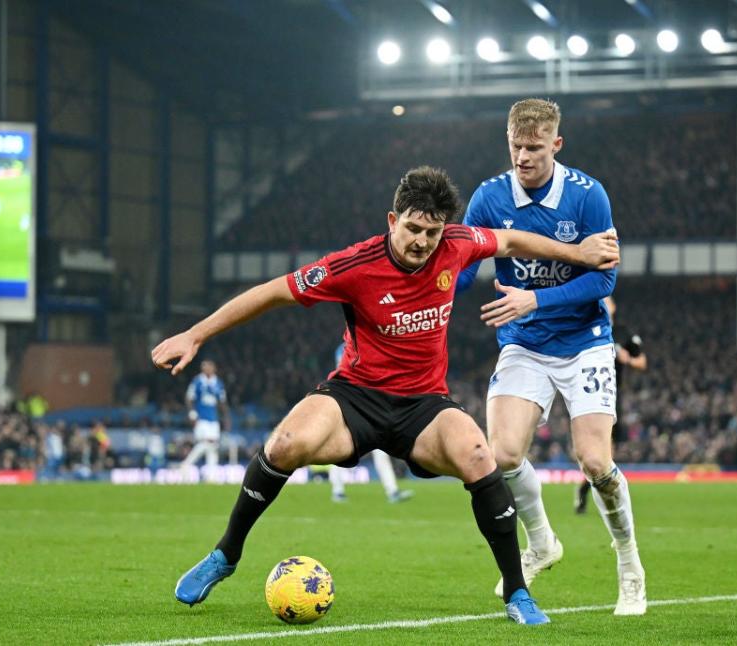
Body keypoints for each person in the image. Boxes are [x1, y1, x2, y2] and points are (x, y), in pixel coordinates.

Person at [152, 165, 619, 624]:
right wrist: (195, 335)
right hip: (355, 396)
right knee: (284, 445)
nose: (422, 241)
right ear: (392, 221)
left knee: (480, 455)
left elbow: (512, 240)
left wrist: (577, 253)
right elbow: (271, 292)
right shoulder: (353, 265)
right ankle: (226, 554)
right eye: (413, 228)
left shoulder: (458, 243)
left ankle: (517, 591)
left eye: (432, 233)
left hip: (423, 405)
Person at [456, 98, 647, 615]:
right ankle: (542, 543)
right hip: (523, 342)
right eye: (516, 146)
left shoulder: (588, 196)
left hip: (584, 340)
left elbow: (603, 277)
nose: (523, 156)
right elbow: (467, 266)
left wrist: (533, 297)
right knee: (504, 455)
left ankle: (629, 565)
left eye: (534, 148)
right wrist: (437, 291)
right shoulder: (489, 197)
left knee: (594, 461)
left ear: (556, 145)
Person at [576, 295, 646, 514]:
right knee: (596, 451)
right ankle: (593, 494)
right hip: (587, 395)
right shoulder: (584, 328)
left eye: (607, 301)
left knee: (606, 453)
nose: (603, 303)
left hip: (613, 397)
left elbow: (642, 362)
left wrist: (628, 360)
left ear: (614, 307)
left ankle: (587, 492)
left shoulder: (624, 333)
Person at [329, 342, 414, 504]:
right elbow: (345, 373)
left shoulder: (369, 344)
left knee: (381, 450)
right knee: (341, 447)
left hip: (370, 403)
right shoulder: (344, 349)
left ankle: (392, 491)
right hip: (351, 402)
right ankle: (337, 490)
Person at [180, 359, 230, 480]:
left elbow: (222, 402)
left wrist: (226, 417)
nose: (205, 369)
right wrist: (192, 414)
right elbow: (189, 398)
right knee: (207, 443)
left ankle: (211, 476)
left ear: (214, 368)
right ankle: (186, 464)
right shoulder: (197, 381)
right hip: (201, 419)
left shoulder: (218, 383)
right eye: (204, 366)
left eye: (208, 366)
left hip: (214, 419)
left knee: (212, 447)